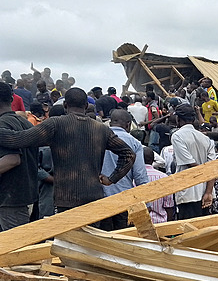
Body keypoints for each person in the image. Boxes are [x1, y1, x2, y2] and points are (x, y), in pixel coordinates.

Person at [0, 87, 135, 212]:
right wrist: (111, 179)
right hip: (94, 197)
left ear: (65, 105)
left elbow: (18, 139)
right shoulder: (101, 129)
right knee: (91, 237)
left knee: (67, 238)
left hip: (66, 198)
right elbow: (129, 154)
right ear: (86, 106)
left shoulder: (55, 125)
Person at [99, 109, 149, 230]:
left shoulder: (97, 139)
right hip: (124, 201)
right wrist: (147, 203)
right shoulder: (134, 143)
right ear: (128, 124)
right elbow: (140, 176)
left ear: (111, 122)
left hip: (100, 201)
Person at [0, 83, 38, 230]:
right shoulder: (25, 123)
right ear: (11, 99)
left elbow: (12, 160)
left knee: (15, 248)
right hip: (26, 194)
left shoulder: (2, 125)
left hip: (10, 200)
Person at [170, 105, 216, 219]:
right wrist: (209, 191)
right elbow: (212, 167)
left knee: (188, 230)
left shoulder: (177, 136)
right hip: (205, 191)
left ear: (178, 119)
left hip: (188, 191)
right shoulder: (205, 138)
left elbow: (190, 163)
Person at [142, 147, 174, 223]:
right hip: (161, 223)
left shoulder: (133, 178)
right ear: (153, 160)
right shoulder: (164, 177)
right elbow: (169, 205)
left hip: (140, 224)